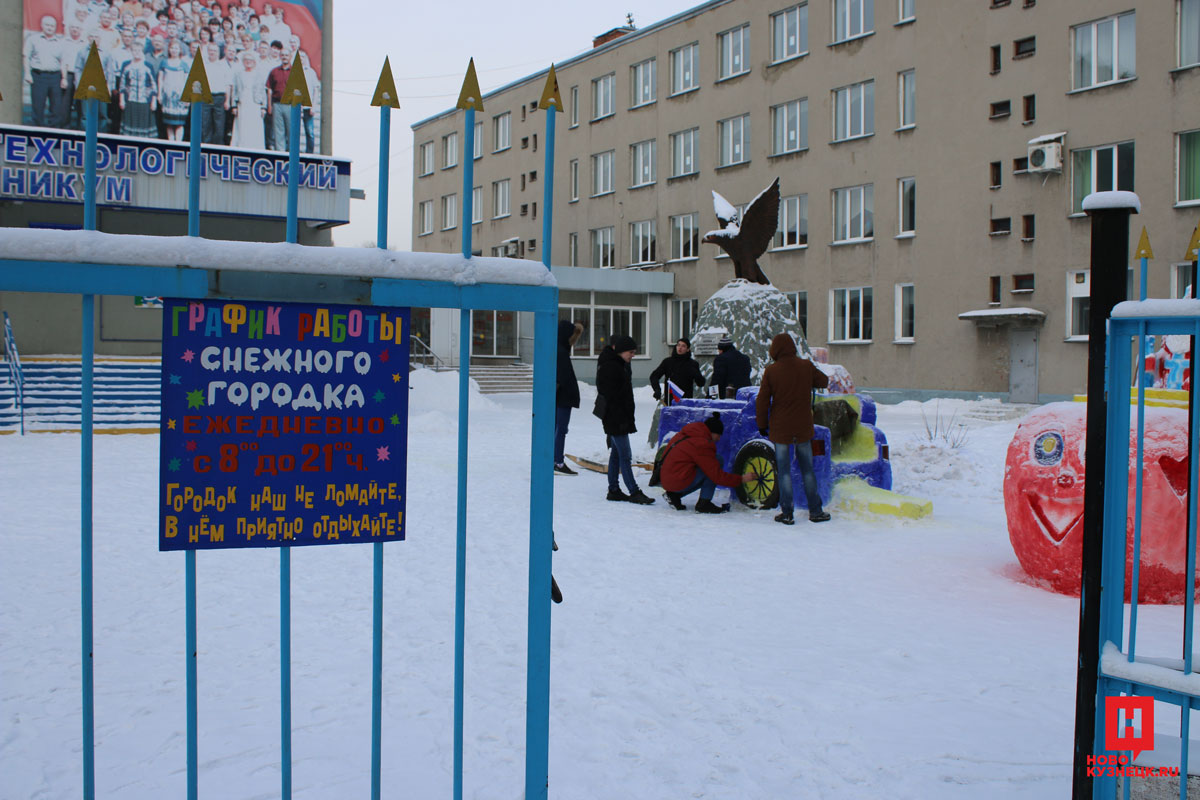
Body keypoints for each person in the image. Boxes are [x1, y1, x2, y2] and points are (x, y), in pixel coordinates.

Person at [755, 332, 831, 525]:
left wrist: (762, 424)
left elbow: (763, 401)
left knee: (784, 471)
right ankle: (816, 511)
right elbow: (823, 381)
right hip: (803, 426)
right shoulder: (805, 366)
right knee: (807, 469)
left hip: (780, 428)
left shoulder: (772, 371)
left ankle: (787, 513)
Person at [659, 412, 758, 514]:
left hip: (667, 479)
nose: (719, 439)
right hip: (676, 481)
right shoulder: (702, 443)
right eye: (718, 435)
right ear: (712, 432)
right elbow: (716, 476)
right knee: (716, 463)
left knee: (713, 461)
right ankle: (704, 503)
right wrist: (742, 479)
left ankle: (673, 495)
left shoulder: (688, 433)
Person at [596, 335, 655, 505]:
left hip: (619, 417)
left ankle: (613, 490)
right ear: (621, 351)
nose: (633, 355)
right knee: (625, 455)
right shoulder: (611, 367)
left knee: (616, 454)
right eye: (631, 352)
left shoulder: (620, 365)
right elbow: (612, 397)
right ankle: (634, 491)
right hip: (616, 418)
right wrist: (622, 419)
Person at [24, 16, 68, 128]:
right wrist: (27, 73)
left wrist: (64, 78)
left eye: (52, 26)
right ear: (42, 25)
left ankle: (54, 132)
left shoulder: (61, 42)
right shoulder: (33, 39)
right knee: (38, 106)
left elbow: (64, 61)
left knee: (56, 107)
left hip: (55, 77)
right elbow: (26, 56)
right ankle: (37, 131)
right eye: (47, 25)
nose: (50, 28)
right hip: (38, 76)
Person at [553, 320, 583, 476]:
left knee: (557, 428)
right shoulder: (561, 352)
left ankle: (554, 459)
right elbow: (563, 377)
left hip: (560, 397)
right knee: (561, 430)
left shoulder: (558, 349)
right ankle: (557, 461)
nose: (574, 340)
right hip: (563, 397)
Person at [649, 337, 705, 404]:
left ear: (688, 349)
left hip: (686, 402)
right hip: (670, 401)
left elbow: (701, 383)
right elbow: (654, 376)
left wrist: (696, 374)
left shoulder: (693, 364)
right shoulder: (667, 362)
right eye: (678, 345)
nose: (680, 348)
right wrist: (657, 389)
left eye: (683, 346)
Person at [230, 48, 265, 148]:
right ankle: (242, 146)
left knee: (254, 125)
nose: (248, 62)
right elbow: (235, 90)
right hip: (242, 102)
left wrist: (263, 107)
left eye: (250, 60)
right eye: (246, 60)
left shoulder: (259, 75)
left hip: (255, 103)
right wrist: (234, 106)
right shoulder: (238, 74)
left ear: (254, 62)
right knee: (242, 125)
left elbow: (263, 91)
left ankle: (255, 146)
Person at [157, 37, 188, 139]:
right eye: (172, 48)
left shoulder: (184, 64)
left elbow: (187, 81)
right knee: (169, 122)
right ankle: (171, 142)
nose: (174, 50)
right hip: (167, 96)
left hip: (180, 97)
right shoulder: (164, 63)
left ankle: (178, 143)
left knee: (179, 122)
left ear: (180, 50)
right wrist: (159, 94)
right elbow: (160, 79)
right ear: (169, 49)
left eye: (176, 48)